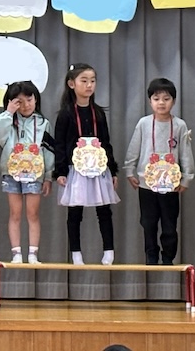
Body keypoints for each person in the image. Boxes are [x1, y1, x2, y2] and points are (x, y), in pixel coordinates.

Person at [123, 77, 195, 265]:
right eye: (156, 99)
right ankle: (151, 256)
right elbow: (134, 148)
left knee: (169, 224)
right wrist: (130, 171)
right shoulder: (144, 123)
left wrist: (186, 178)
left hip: (171, 184)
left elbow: (185, 153)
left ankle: (168, 257)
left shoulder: (179, 125)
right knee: (148, 222)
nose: (161, 103)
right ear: (150, 101)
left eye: (166, 98)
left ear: (174, 101)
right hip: (147, 184)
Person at [53, 63, 120, 266]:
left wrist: (112, 170)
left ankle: (109, 251)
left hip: (99, 167)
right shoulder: (65, 114)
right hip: (75, 169)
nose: (89, 85)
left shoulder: (98, 112)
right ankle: (76, 253)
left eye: (92, 81)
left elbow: (106, 142)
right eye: (84, 80)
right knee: (75, 211)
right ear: (71, 84)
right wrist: (60, 171)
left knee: (104, 210)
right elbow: (59, 144)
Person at [0, 81, 53, 264]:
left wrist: (48, 176)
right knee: (15, 213)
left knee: (32, 213)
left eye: (29, 99)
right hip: (11, 173)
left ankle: (33, 254)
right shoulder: (8, 121)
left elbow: (49, 150)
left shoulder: (43, 123)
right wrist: (9, 112)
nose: (26, 105)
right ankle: (16, 254)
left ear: (36, 99)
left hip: (35, 174)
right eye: (19, 101)